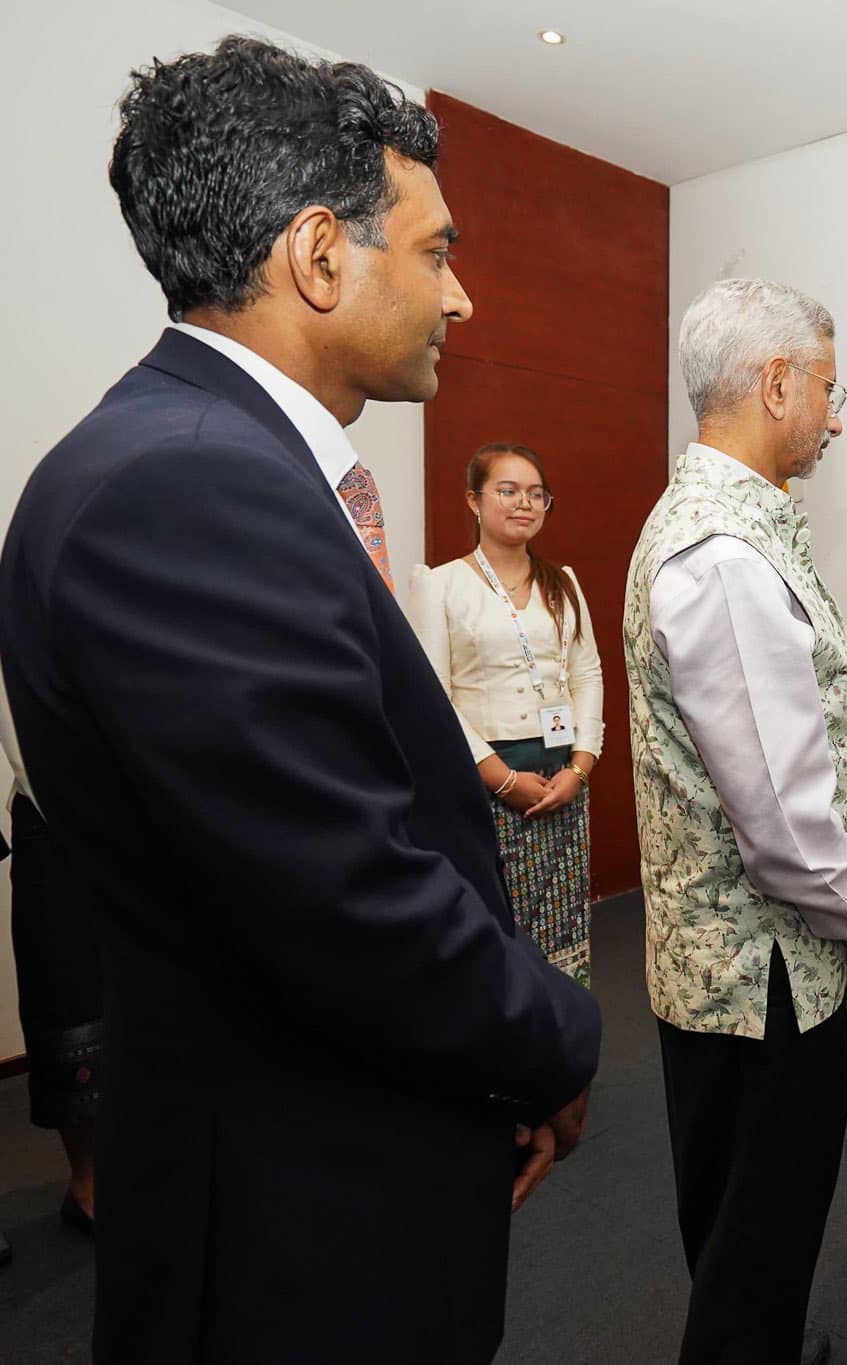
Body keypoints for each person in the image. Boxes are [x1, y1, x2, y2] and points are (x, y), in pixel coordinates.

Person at [0, 39, 600, 1361]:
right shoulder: (189, 488)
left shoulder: (201, 460)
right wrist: (557, 1037)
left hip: (301, 1147)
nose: (466, 299)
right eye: (438, 252)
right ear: (321, 256)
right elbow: (344, 899)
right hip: (296, 1205)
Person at [626, 278, 847, 1365]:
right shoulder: (725, 557)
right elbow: (784, 831)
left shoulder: (710, 524)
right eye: (828, 391)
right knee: (757, 1242)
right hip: (764, 991)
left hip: (738, 976)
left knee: (744, 1232)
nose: (835, 418)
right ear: (776, 382)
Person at [408, 442, 604, 984]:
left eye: (537, 494)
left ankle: (562, 1050)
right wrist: (501, 779)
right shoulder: (441, 584)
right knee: (494, 924)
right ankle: (503, 1059)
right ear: (474, 500)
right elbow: (433, 697)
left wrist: (580, 767)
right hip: (484, 779)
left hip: (561, 779)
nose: (525, 504)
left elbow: (586, 674)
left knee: (562, 926)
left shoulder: (562, 583)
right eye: (508, 491)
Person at [1, 661, 103, 1248]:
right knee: (70, 1004)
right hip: (56, 814)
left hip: (141, 807)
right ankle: (87, 1186)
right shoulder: (22, 575)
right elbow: (19, 719)